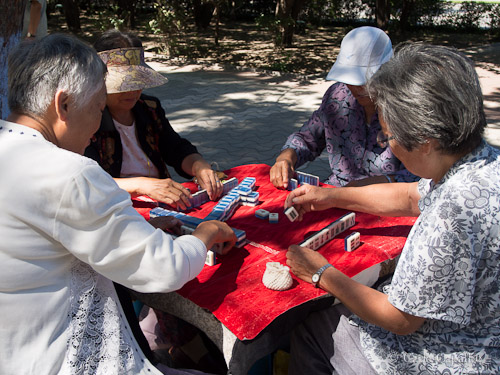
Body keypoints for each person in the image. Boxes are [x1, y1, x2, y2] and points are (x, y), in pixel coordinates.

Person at [0, 33, 237, 375]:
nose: (97, 127)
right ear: (63, 104)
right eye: (98, 108)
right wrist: (207, 231)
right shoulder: (72, 173)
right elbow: (165, 268)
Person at [283, 43, 500, 374]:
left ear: (426, 141)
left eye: (388, 138)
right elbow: (411, 196)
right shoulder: (481, 160)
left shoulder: (447, 216)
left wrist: (320, 273)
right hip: (483, 332)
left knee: (312, 329)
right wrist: (333, 197)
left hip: (450, 354)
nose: (389, 145)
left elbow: (400, 319)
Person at [85, 30, 222, 210]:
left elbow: (175, 148)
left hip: (162, 200)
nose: (133, 91)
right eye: (124, 83)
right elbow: (90, 180)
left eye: (138, 81)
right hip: (117, 208)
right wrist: (143, 185)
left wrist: (198, 165)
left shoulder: (149, 107)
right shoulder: (87, 118)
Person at [270, 26, 418, 188]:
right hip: (336, 191)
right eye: (352, 80)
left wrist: (367, 186)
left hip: (392, 199)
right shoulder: (338, 95)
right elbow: (307, 137)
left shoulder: (408, 105)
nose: (357, 87)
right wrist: (286, 157)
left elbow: (421, 176)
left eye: (367, 79)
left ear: (388, 70)